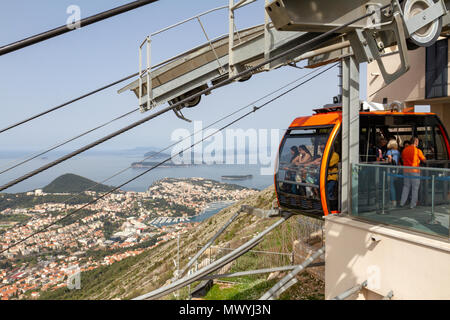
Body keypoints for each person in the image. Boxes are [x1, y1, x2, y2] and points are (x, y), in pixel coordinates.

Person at [400, 137, 426, 209]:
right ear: (415, 142)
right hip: (415, 171)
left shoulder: (404, 150)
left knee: (406, 187)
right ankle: (413, 204)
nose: (418, 143)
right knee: (415, 188)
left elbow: (402, 158)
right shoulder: (418, 151)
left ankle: (402, 203)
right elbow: (424, 160)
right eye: (417, 141)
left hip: (406, 170)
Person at [386, 139, 401, 207]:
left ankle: (393, 200)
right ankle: (397, 200)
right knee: (396, 186)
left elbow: (389, 160)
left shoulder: (389, 151)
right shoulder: (397, 152)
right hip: (396, 170)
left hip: (390, 170)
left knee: (391, 186)